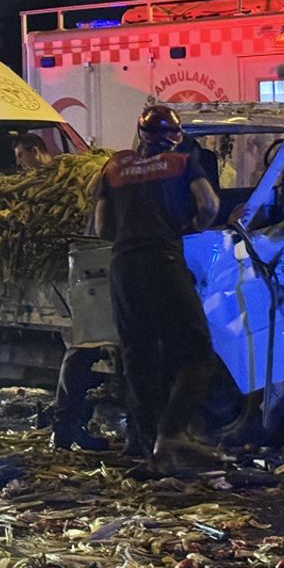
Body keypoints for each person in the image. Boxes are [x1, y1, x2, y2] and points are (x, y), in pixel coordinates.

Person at [94, 104, 220, 469]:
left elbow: (101, 228)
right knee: (197, 353)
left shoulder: (113, 168)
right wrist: (191, 226)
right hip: (163, 261)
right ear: (175, 137)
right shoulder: (181, 163)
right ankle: (172, 432)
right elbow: (209, 204)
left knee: (138, 357)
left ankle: (151, 447)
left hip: (124, 268)